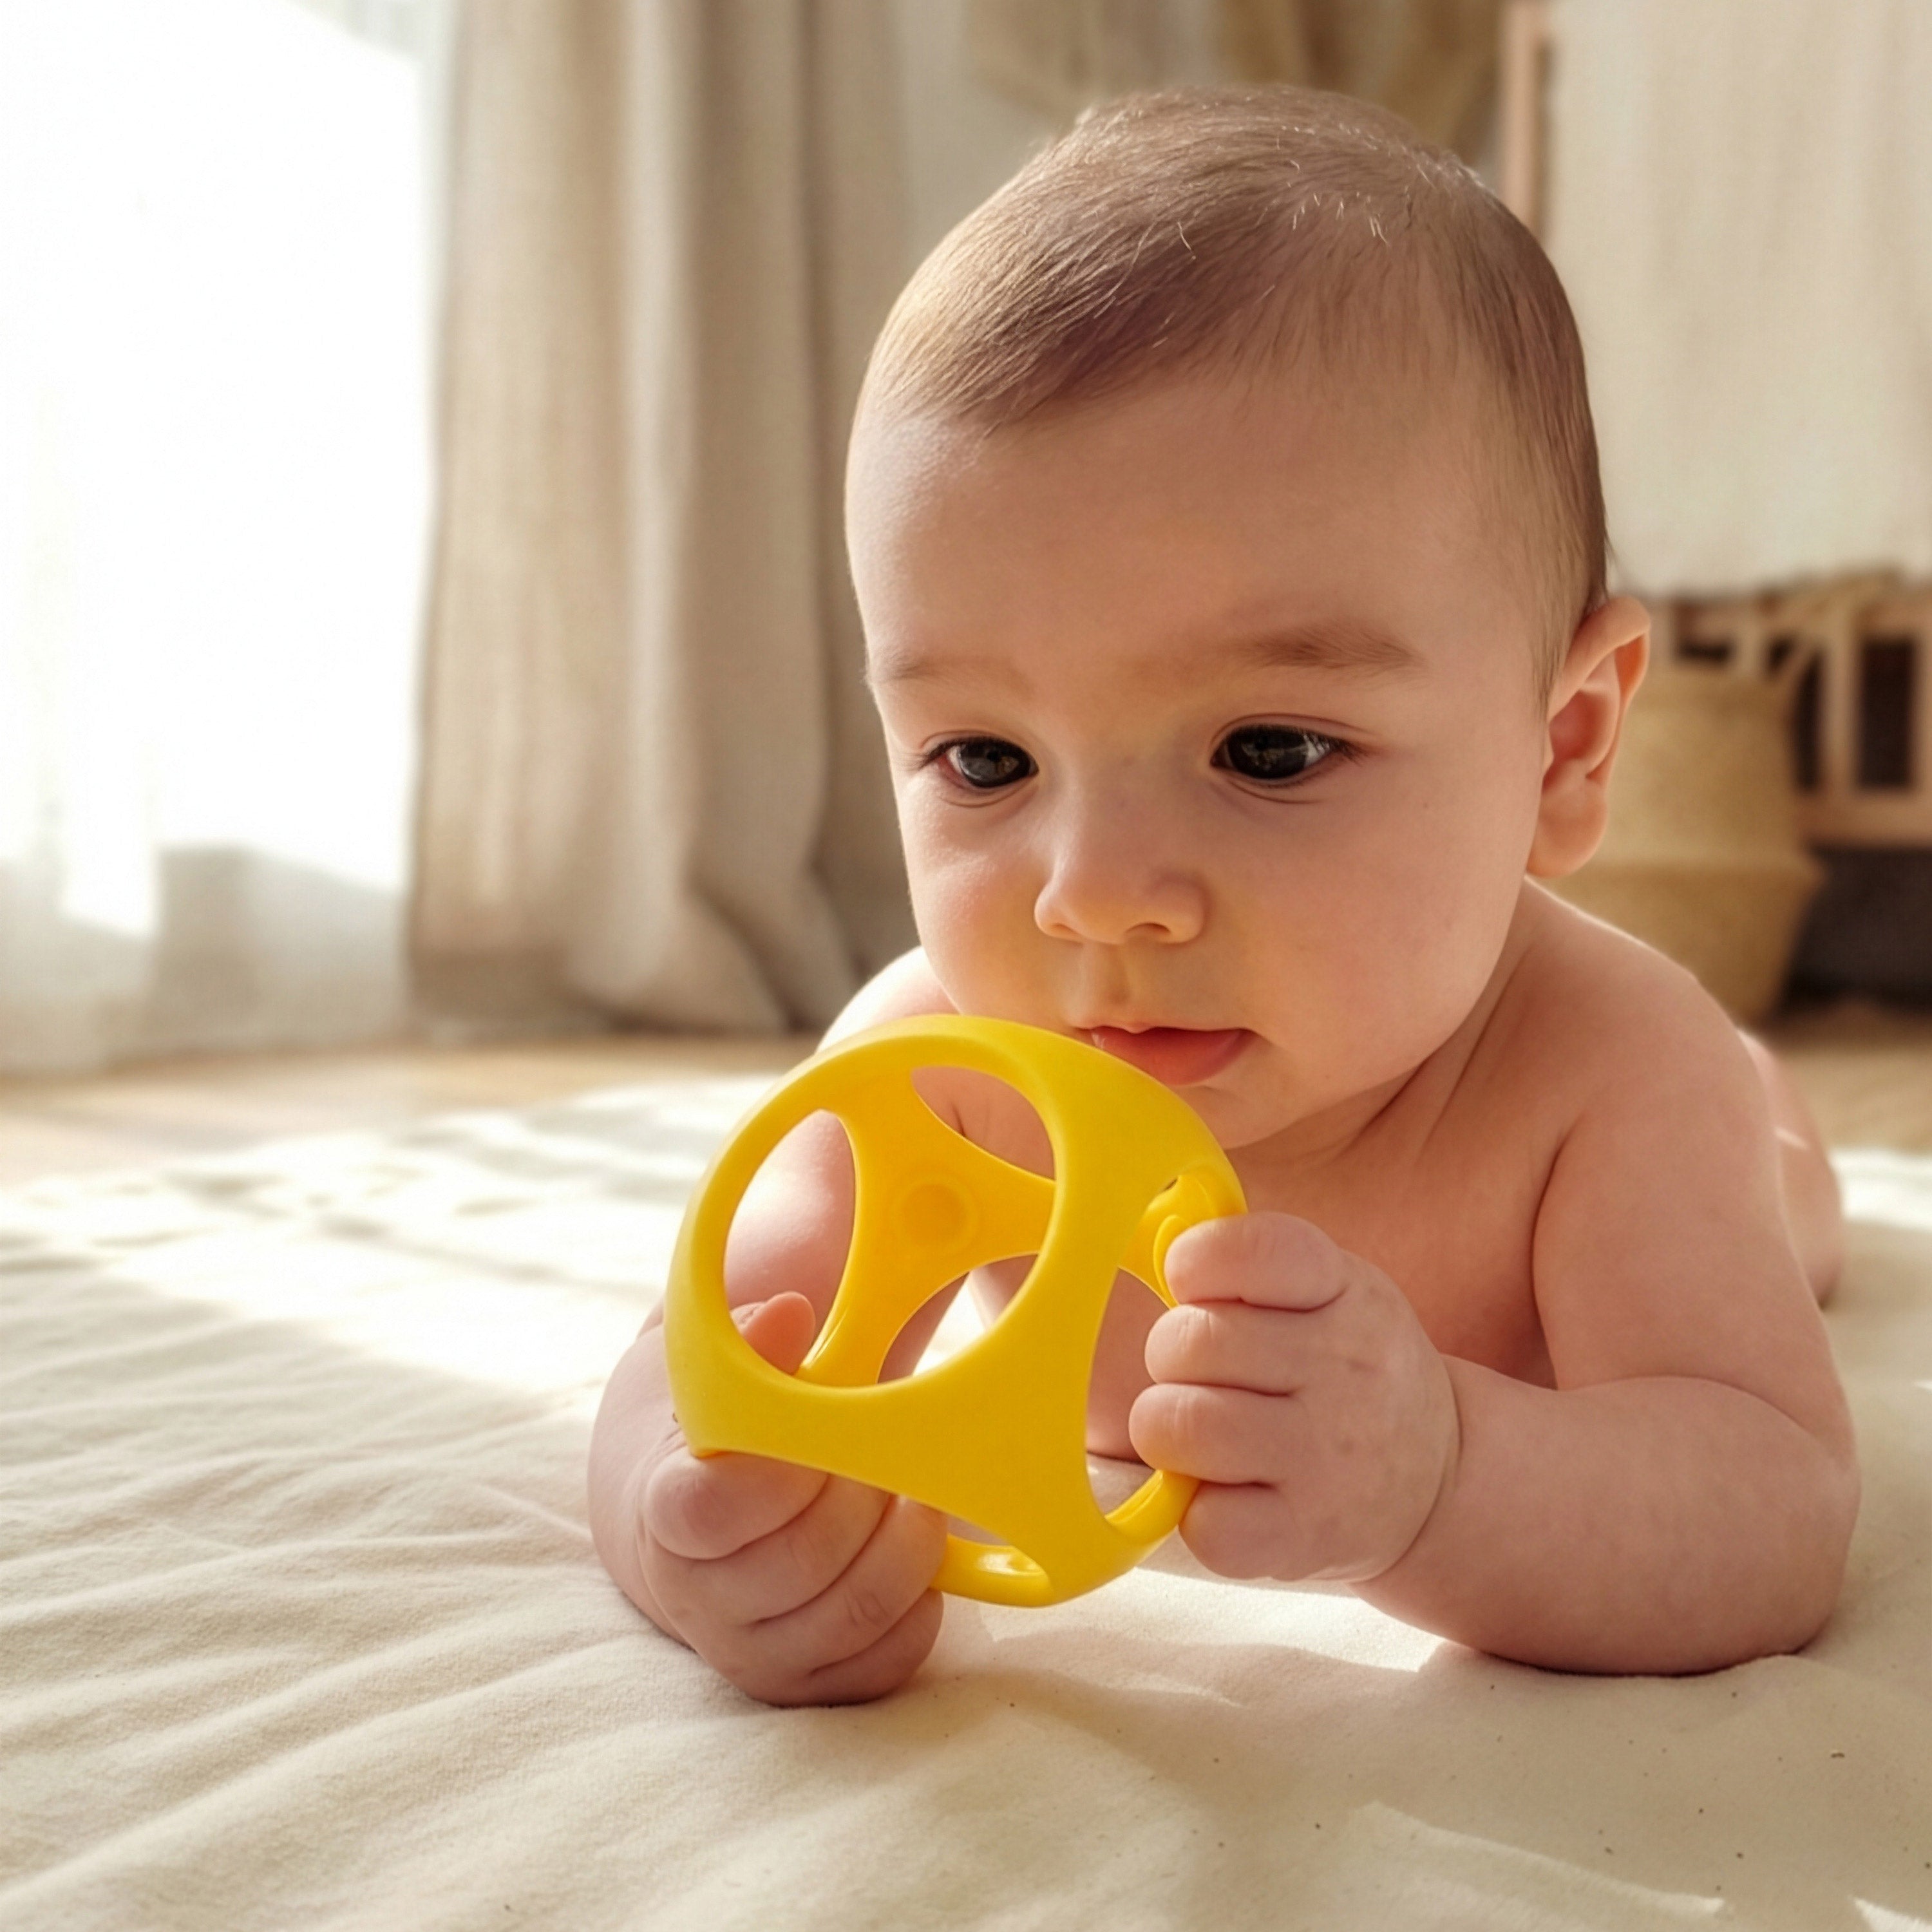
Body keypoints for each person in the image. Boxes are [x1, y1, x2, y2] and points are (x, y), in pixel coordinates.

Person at [587, 87, 1857, 1707]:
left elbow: (1774, 1509)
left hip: (1699, 1145)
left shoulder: (1604, 1079)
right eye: (985, 759)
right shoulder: (934, 1083)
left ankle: (1775, 1120)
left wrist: (1446, 1471)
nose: (1097, 898)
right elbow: (694, 1360)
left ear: (1563, 747)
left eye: (1268, 750)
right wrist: (693, 1519)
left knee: (1779, 1189)